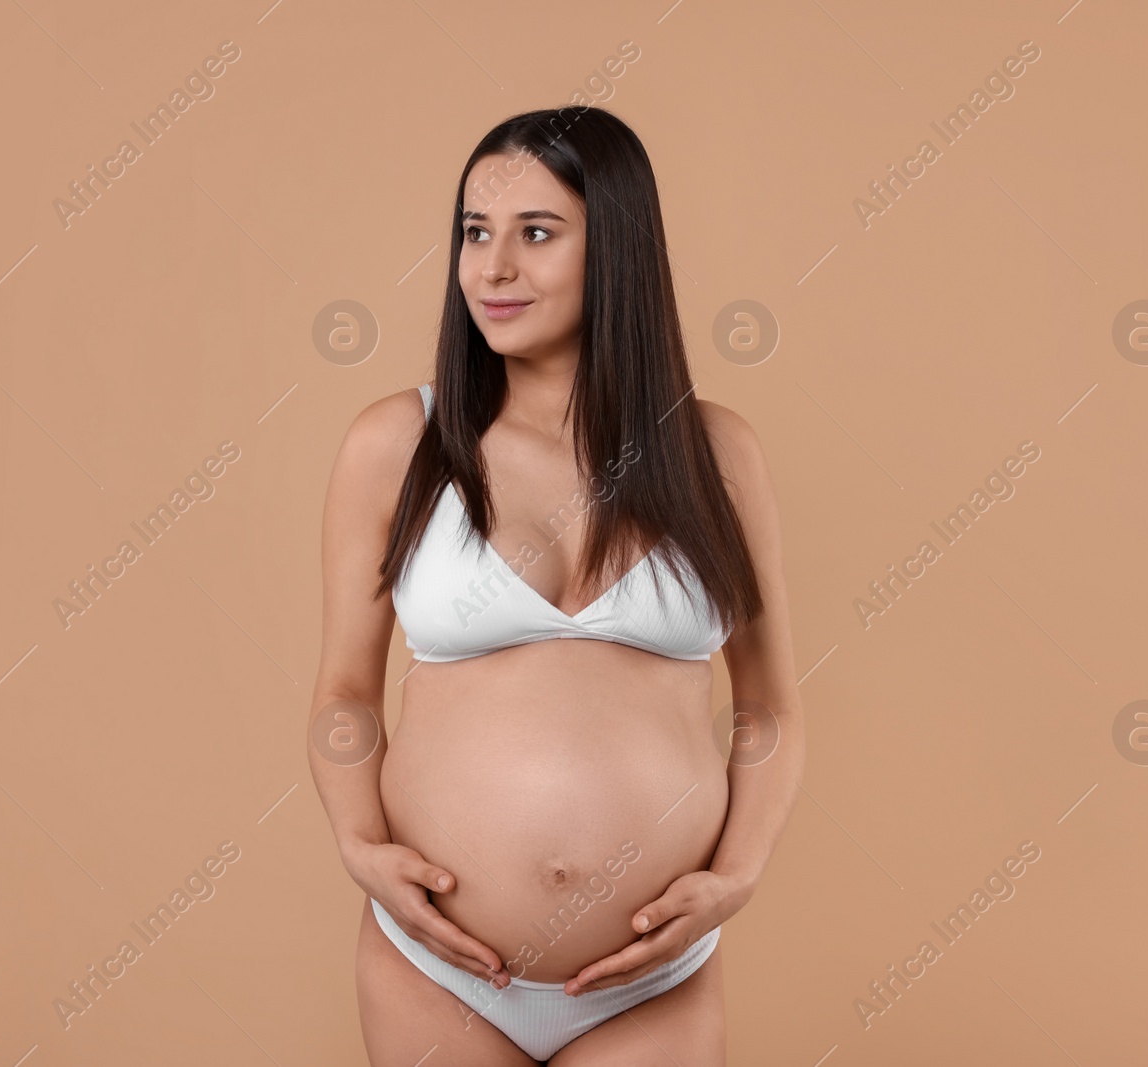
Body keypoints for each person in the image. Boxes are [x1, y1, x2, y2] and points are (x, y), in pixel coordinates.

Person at [308, 105, 804, 1066]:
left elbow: (770, 706)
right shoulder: (395, 445)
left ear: (615, 248)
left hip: (653, 978)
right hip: (436, 969)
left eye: (535, 234)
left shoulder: (718, 457)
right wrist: (360, 845)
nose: (492, 269)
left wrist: (738, 874)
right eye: (474, 233)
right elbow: (342, 695)